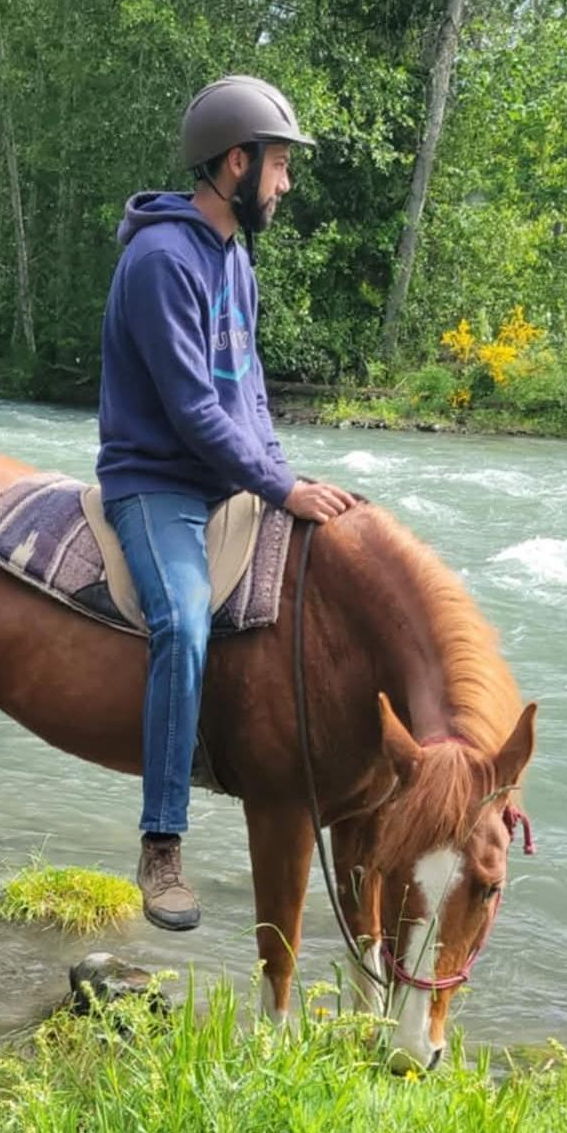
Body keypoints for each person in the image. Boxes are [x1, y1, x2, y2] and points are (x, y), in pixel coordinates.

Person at [96, 75, 353, 932]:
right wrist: (276, 485)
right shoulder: (160, 260)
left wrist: (288, 480)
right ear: (235, 163)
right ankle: (161, 844)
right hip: (154, 482)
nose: (285, 184)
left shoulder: (233, 257)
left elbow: (247, 396)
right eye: (278, 165)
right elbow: (192, 409)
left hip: (224, 477)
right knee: (182, 622)